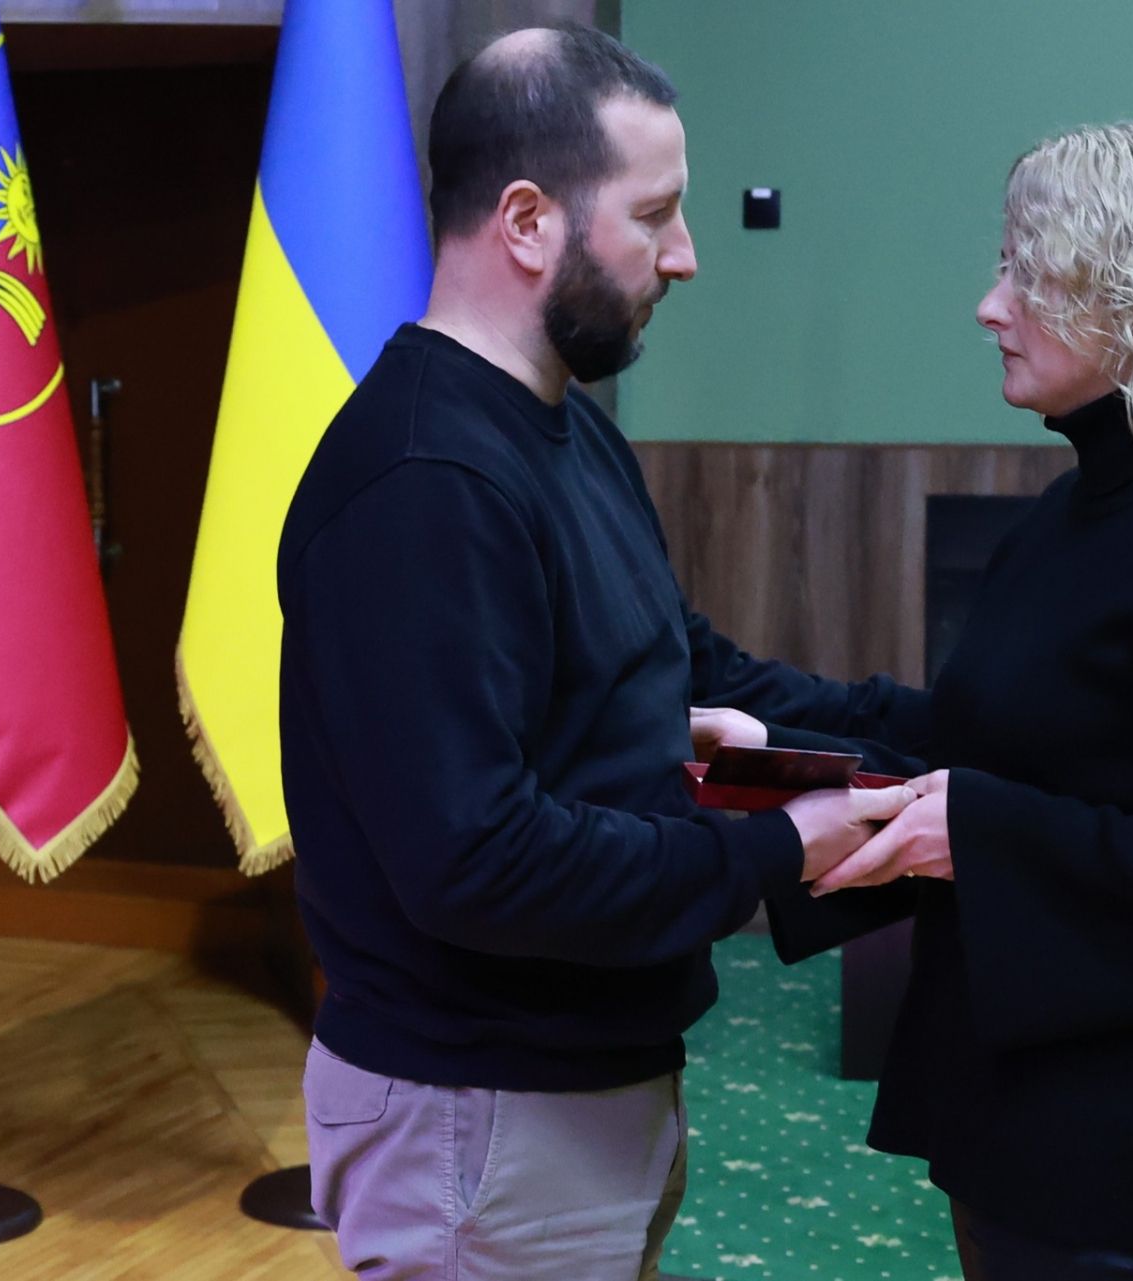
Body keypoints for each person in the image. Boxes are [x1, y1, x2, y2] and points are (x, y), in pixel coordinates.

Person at [276, 27, 921, 1280]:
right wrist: (776, 847)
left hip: (581, 1088)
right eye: (655, 214)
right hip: (478, 1112)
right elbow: (476, 862)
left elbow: (689, 674)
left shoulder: (564, 432)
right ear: (528, 221)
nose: (685, 255)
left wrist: (938, 736)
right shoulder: (424, 481)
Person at [705, 122, 1133, 1281]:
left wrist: (987, 833)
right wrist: (777, 749)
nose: (989, 306)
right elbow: (992, 742)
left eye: (1024, 270)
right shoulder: (1077, 508)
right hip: (1028, 1099)